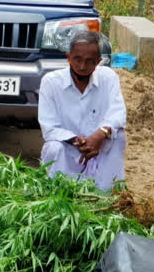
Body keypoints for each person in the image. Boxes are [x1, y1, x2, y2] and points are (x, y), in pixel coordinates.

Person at [37, 31, 126, 191]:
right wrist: (77, 141)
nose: (82, 66)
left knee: (118, 136)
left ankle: (109, 191)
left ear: (98, 61)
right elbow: (49, 128)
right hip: (69, 150)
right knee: (53, 147)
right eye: (77, 59)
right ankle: (56, 191)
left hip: (99, 150)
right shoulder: (51, 82)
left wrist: (99, 135)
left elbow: (118, 114)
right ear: (69, 57)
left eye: (89, 61)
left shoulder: (109, 78)